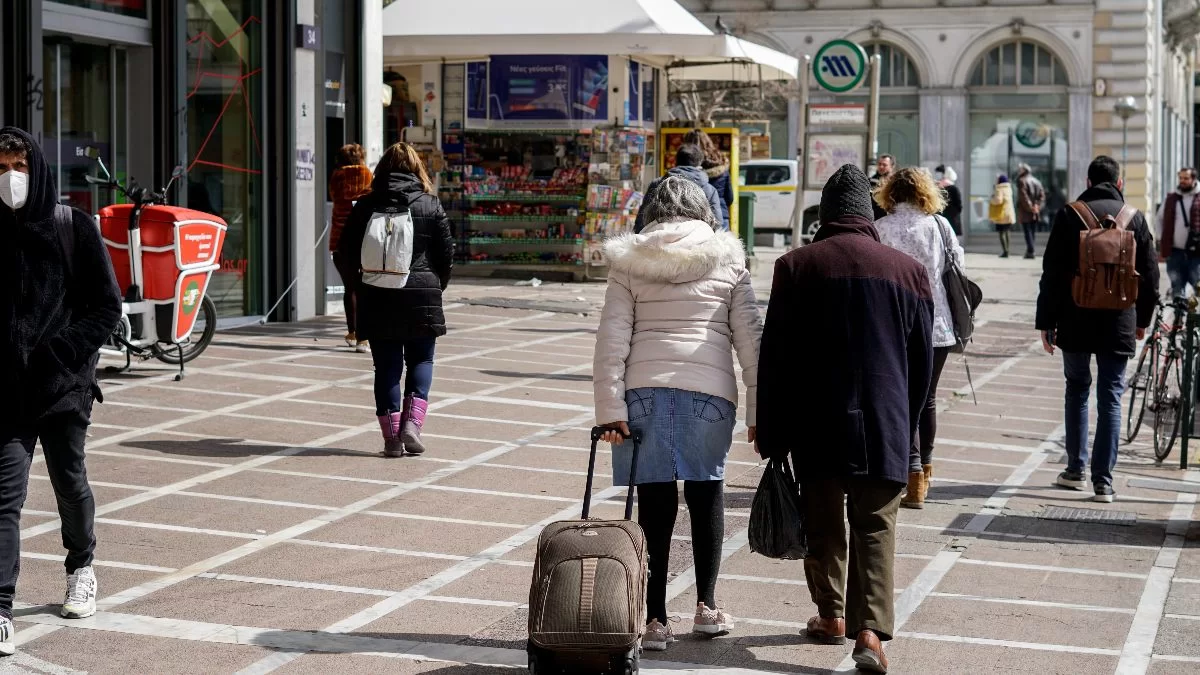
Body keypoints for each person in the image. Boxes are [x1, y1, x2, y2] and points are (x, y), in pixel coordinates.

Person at [757, 164, 933, 673]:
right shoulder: (907, 271)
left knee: (824, 523)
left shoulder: (796, 266)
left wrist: (772, 430)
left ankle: (831, 615)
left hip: (816, 421)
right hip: (885, 421)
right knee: (876, 526)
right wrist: (909, 418)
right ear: (869, 213)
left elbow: (777, 357)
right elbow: (922, 364)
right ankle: (870, 634)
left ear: (826, 213)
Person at [594, 176, 761, 653]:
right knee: (708, 493)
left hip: (642, 393)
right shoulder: (728, 258)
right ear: (704, 211)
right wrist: (760, 409)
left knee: (654, 505)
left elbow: (612, 341)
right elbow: (752, 340)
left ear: (650, 211)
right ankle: (707, 608)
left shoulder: (630, 262)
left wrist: (610, 409)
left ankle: (655, 620)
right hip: (709, 394)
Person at [0, 127, 122, 655]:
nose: (11, 178)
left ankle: (82, 567)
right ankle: (1, 608)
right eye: (2, 166)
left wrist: (60, 351)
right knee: (5, 499)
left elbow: (106, 308)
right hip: (5, 393)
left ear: (38, 169)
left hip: (63, 387)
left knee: (68, 482)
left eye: (19, 167)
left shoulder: (72, 227)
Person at [1035, 156, 1159, 503]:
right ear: (1119, 183)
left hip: (1074, 319)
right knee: (1111, 397)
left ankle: (1075, 470)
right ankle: (1103, 481)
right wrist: (1142, 320)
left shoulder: (1068, 214)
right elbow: (1150, 276)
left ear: (1089, 181)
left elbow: (1052, 274)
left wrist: (1046, 322)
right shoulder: (1134, 218)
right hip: (1120, 319)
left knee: (1076, 390)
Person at [337, 142, 454, 458]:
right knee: (421, 360)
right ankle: (412, 426)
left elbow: (344, 254)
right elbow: (446, 256)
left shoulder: (364, 206)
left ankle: (391, 439)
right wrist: (433, 287)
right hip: (422, 293)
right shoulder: (430, 205)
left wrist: (359, 286)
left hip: (377, 295)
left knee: (386, 367)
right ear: (418, 169)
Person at [875, 168, 966, 510]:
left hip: (893, 324)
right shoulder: (940, 226)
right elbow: (959, 267)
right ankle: (923, 475)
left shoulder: (880, 229)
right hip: (937, 324)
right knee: (926, 399)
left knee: (900, 399)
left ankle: (908, 471)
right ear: (926, 193)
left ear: (891, 193)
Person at [329, 143, 374, 352]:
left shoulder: (336, 177)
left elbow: (334, 198)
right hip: (363, 238)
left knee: (350, 288)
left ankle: (353, 332)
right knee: (364, 287)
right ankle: (364, 338)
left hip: (340, 239)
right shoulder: (367, 174)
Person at [635, 144, 723, 233]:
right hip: (696, 243)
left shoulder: (657, 183)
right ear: (699, 163)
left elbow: (642, 220)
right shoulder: (709, 189)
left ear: (676, 161)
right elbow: (716, 223)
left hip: (658, 241)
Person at [1155, 167, 1200, 298]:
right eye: (1181, 178)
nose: (1183, 181)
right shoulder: (1171, 198)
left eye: (1186, 178)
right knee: (1177, 288)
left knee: (1198, 286)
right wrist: (1160, 238)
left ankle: (1195, 317)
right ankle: (1179, 317)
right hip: (1175, 253)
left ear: (1193, 179)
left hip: (1196, 254)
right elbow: (1159, 219)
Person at [685, 129, 734, 231]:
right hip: (720, 215)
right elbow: (729, 198)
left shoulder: (686, 167)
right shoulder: (721, 164)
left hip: (694, 217)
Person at [1016, 163, 1046, 259]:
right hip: (1034, 211)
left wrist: (1031, 207)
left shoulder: (1022, 181)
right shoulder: (1037, 181)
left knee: (1028, 231)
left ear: (1024, 170)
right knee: (1032, 231)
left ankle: (1031, 251)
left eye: (1020, 169)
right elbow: (1042, 196)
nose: (1018, 171)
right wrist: (1037, 206)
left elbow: (1023, 197)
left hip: (1026, 211)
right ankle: (1030, 250)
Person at [989, 174, 1016, 257]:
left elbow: (998, 200)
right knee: (1007, 231)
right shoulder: (1009, 188)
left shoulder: (999, 188)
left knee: (1001, 233)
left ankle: (1005, 251)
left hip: (1001, 214)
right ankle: (1007, 250)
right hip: (1009, 213)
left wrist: (992, 199)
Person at [934, 165, 963, 235]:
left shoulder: (949, 188)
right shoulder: (938, 188)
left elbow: (958, 205)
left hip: (946, 220)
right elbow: (959, 206)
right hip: (948, 220)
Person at [869, 154, 895, 220]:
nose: (881, 166)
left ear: (892, 166)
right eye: (879, 164)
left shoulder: (896, 182)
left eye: (884, 165)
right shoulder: (871, 181)